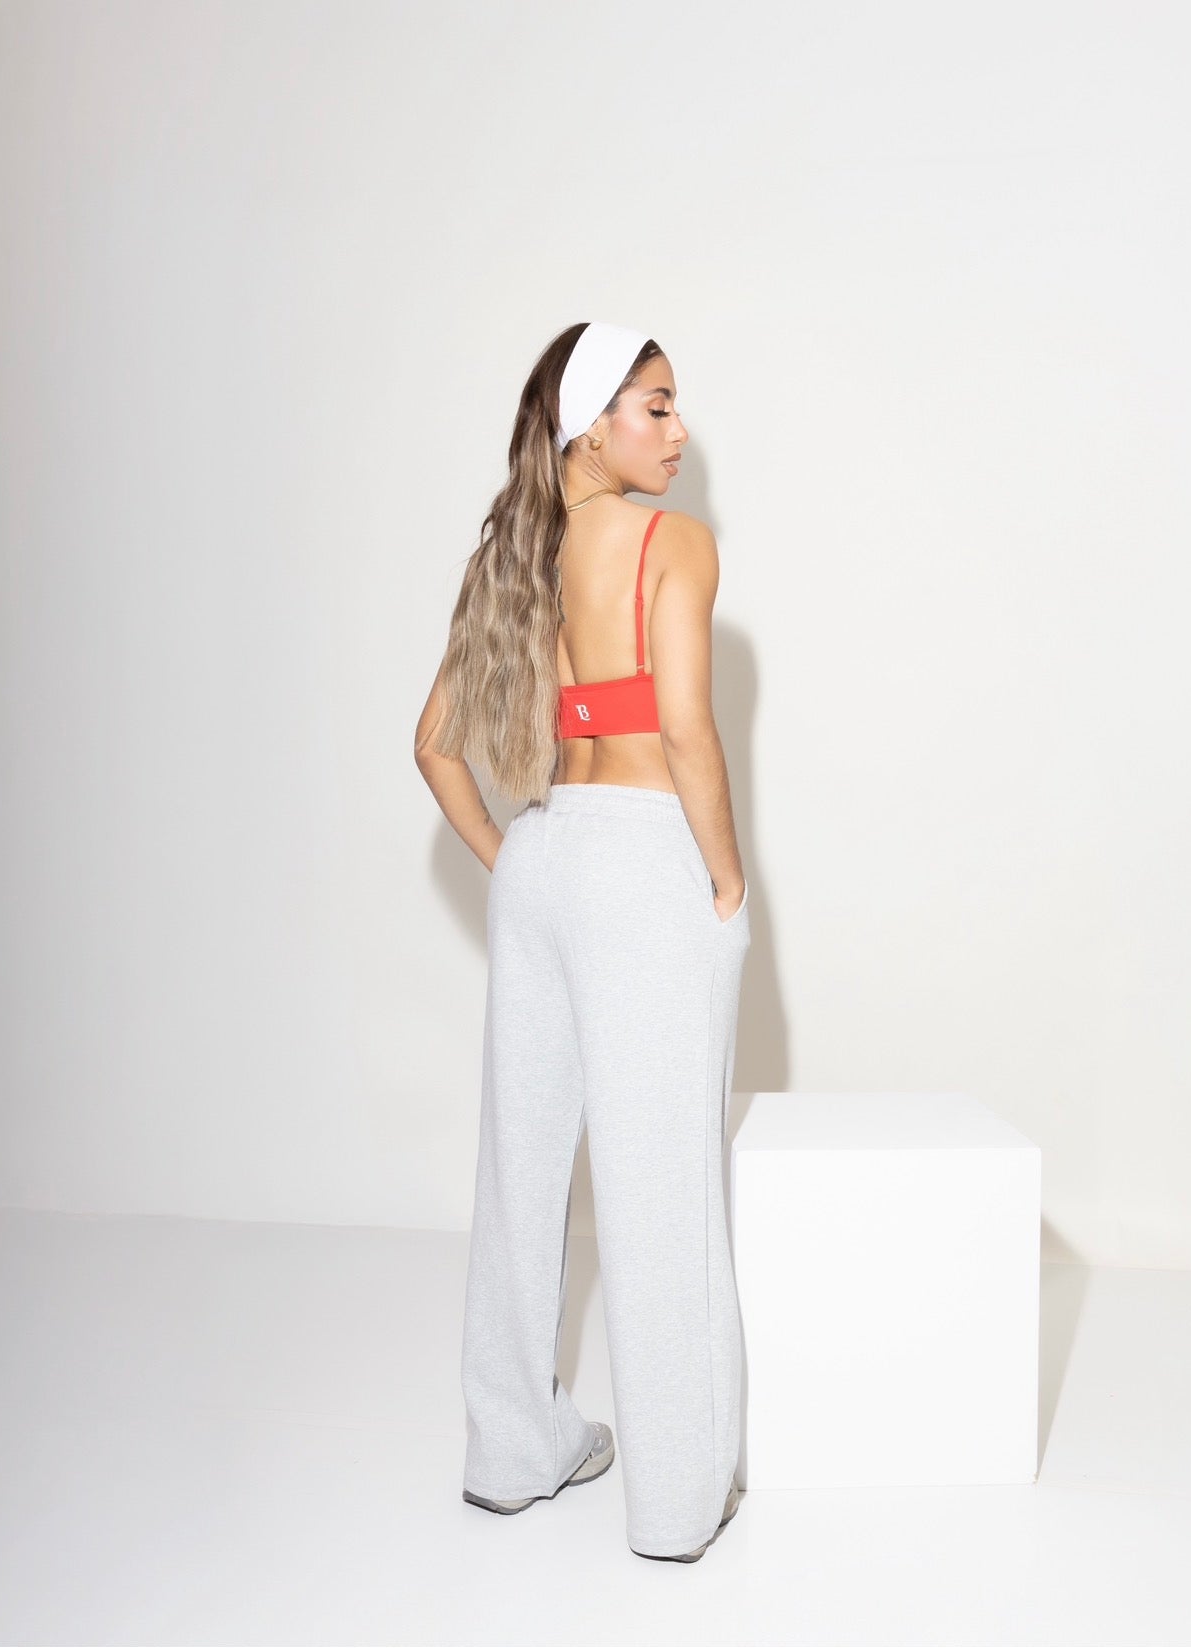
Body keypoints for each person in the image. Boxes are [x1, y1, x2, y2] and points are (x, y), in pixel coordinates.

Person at [414, 320, 751, 1563]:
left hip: (547, 854)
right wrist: (727, 883)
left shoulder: (514, 550)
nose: (678, 429)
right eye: (655, 405)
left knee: (520, 1171)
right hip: (642, 865)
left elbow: (433, 747)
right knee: (661, 1183)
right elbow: (686, 729)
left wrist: (514, 862)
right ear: (592, 424)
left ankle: (512, 1451)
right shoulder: (674, 543)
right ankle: (675, 1503)